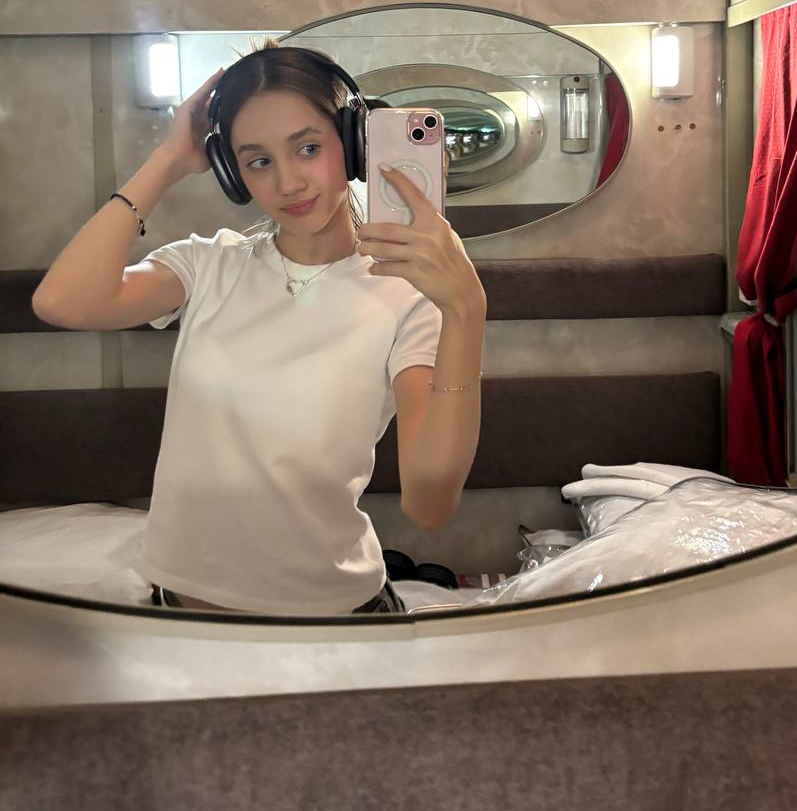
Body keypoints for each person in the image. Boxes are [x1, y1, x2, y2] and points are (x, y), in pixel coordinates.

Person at [32, 43, 486, 616]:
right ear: (232, 172)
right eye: (258, 161)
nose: (289, 182)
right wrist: (168, 161)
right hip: (183, 613)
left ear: (352, 143)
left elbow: (429, 504)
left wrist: (466, 310)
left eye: (308, 148)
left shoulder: (405, 292)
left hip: (333, 618)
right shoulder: (208, 265)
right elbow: (62, 303)